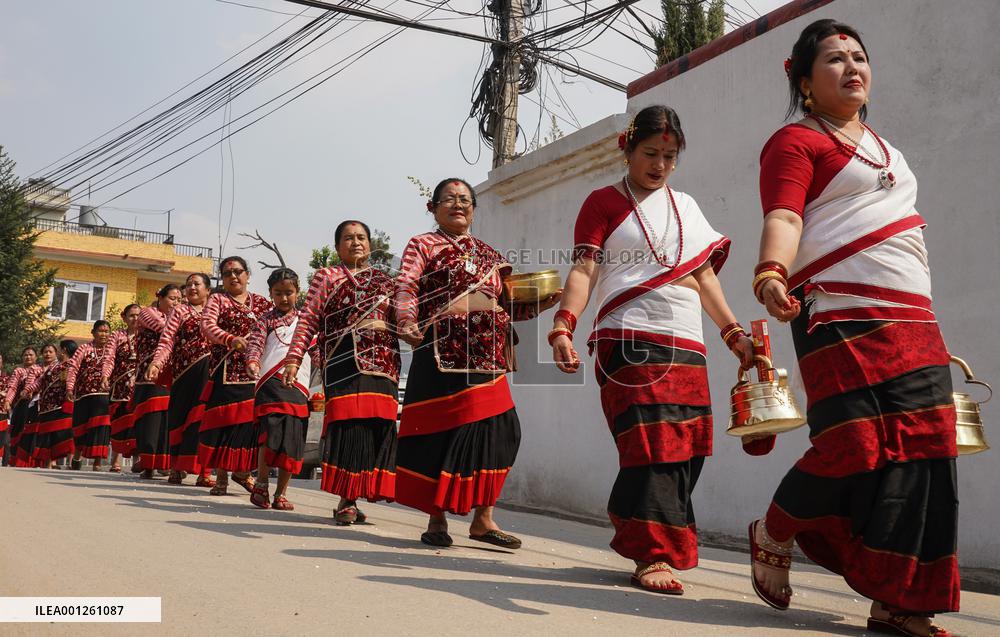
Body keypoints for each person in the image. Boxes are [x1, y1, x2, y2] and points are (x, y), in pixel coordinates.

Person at [747, 20, 960, 637]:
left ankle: (899, 601)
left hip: (913, 320)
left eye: (860, 57)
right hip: (836, 312)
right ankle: (777, 528)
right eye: (834, 59)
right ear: (806, 80)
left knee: (925, 454)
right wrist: (770, 272)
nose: (852, 68)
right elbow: (785, 214)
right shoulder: (794, 142)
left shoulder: (889, 151)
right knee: (856, 445)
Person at [549, 105, 753, 594]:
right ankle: (651, 553)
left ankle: (651, 534)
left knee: (688, 448)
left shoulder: (686, 207)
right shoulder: (601, 203)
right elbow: (584, 270)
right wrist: (563, 325)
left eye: (669, 155)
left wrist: (733, 334)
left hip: (686, 342)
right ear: (627, 147)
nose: (659, 164)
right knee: (650, 443)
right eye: (650, 153)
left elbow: (703, 277)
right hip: (628, 338)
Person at [394, 178, 559, 548]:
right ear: (433, 207)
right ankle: (436, 519)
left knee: (501, 431)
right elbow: (406, 285)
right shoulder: (423, 245)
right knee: (441, 434)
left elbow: (505, 307)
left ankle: (483, 520)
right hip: (440, 353)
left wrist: (538, 305)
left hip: (488, 356)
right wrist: (405, 320)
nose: (458, 204)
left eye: (465, 200)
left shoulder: (489, 254)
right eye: (449, 199)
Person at [284, 220, 400, 524]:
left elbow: (404, 317)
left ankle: (357, 495)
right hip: (344, 362)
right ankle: (346, 499)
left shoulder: (387, 281)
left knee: (376, 429)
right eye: (348, 238)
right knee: (350, 428)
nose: (356, 242)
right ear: (337, 247)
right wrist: (294, 359)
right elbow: (308, 320)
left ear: (370, 246)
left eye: (361, 237)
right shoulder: (327, 277)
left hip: (384, 364)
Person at [199, 256, 273, 496]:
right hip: (226, 370)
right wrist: (231, 339)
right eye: (228, 272)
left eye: (238, 271)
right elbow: (207, 327)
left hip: (256, 371)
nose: (233, 276)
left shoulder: (262, 302)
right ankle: (221, 476)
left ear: (248, 275)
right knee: (225, 422)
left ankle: (242, 472)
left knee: (250, 424)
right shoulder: (218, 300)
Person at [246, 268, 310, 510]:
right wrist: (252, 361)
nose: (284, 298)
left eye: (289, 293)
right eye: (278, 293)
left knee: (292, 440)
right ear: (271, 294)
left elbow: (316, 351)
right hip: (270, 383)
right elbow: (255, 345)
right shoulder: (265, 320)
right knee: (270, 435)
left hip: (298, 385)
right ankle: (261, 484)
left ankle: (281, 493)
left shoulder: (305, 321)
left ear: (298, 292)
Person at [149, 274, 215, 486]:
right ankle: (176, 468)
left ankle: (205, 472)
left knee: (206, 421)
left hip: (210, 372)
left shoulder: (216, 310)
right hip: (183, 374)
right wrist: (157, 363)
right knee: (179, 420)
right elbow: (166, 340)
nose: (192, 288)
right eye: (189, 285)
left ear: (208, 290)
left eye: (197, 284)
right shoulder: (180, 311)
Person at [133, 285, 182, 479]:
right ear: (160, 298)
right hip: (149, 375)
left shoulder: (178, 315)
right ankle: (148, 464)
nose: (176, 302)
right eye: (172, 298)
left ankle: (166, 463)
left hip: (171, 374)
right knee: (150, 421)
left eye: (179, 299)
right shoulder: (147, 313)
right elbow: (165, 329)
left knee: (168, 420)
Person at [66, 322, 115, 471]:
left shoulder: (113, 350)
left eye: (107, 331)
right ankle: (77, 457)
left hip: (104, 394)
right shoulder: (84, 348)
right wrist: (69, 387)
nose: (104, 334)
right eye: (100, 331)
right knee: (80, 427)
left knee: (101, 427)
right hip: (83, 394)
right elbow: (73, 368)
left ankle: (97, 463)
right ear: (93, 332)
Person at [27, 340, 78, 468]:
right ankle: (48, 464)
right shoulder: (53, 366)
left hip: (61, 406)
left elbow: (71, 383)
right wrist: (28, 389)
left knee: (63, 434)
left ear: (64, 350)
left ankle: (70, 463)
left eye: (58, 350)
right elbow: (41, 381)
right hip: (46, 407)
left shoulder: (72, 365)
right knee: (47, 437)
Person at [106, 304, 141, 473]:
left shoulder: (146, 335)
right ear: (124, 317)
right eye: (131, 315)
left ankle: (138, 460)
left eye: (138, 315)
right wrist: (105, 375)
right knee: (119, 423)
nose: (135, 318)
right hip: (120, 387)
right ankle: (115, 460)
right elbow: (109, 357)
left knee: (137, 423)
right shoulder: (117, 336)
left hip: (140, 386)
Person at [14, 344, 60, 467]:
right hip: (36, 404)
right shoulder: (36, 368)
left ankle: (51, 461)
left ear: (56, 353)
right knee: (34, 432)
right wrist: (28, 392)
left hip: (54, 404)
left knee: (51, 432)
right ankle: (33, 461)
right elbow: (30, 382)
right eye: (45, 352)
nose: (48, 354)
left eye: (50, 351)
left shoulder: (59, 367)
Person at [3, 347, 42, 467]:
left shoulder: (40, 370)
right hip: (21, 405)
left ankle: (32, 462)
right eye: (25, 355)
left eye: (31, 355)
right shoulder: (18, 371)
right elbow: (13, 387)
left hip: (35, 405)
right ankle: (16, 460)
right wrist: (8, 401)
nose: (28, 357)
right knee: (18, 431)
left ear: (36, 357)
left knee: (32, 432)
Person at [0, 355, 10, 465]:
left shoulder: (7, 378)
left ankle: (5, 464)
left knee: (3, 439)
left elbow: (8, 393)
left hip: (2, 412)